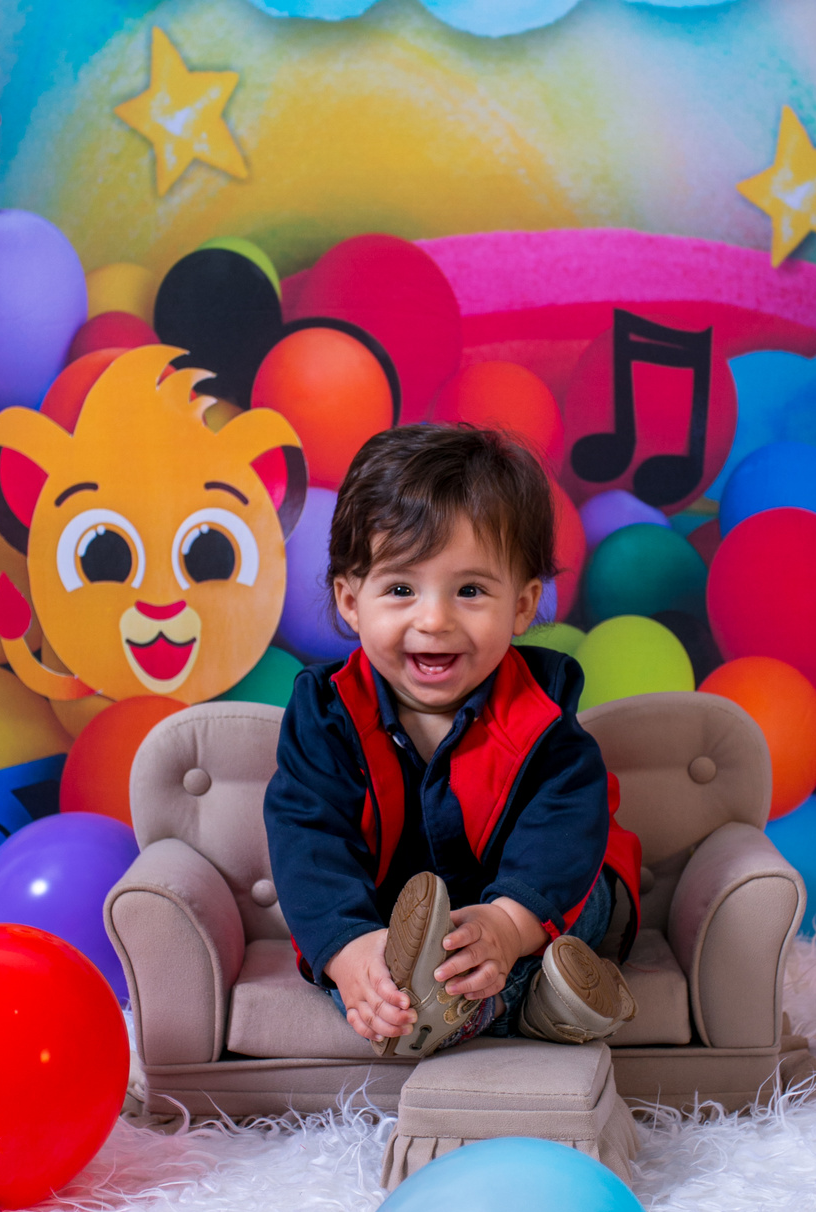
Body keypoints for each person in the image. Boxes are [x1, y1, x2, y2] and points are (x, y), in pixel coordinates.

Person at [264, 422, 641, 1059]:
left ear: (522, 605)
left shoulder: (542, 708)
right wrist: (349, 950)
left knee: (586, 900)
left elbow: (564, 830)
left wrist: (509, 924)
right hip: (408, 923)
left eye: (470, 590)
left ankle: (495, 994)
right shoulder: (325, 716)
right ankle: (534, 1006)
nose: (434, 619)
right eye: (401, 590)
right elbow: (308, 840)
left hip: (544, 898)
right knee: (365, 970)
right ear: (351, 601)